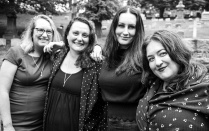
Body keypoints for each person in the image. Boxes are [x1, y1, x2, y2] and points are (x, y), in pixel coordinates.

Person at [136, 30, 209, 131]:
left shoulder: (204, 89)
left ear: (177, 52)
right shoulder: (154, 85)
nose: (157, 63)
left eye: (162, 54)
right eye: (151, 59)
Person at [0, 14, 63, 131]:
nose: (44, 35)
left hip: (43, 124)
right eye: (40, 30)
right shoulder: (16, 53)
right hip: (16, 124)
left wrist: (61, 45)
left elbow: (79, 47)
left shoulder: (54, 56)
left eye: (49, 31)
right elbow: (2, 90)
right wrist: (7, 125)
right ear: (32, 32)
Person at [43, 17, 107, 131]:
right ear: (67, 35)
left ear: (90, 39)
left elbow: (102, 107)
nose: (79, 38)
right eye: (75, 33)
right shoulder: (57, 56)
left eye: (85, 35)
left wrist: (97, 47)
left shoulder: (95, 65)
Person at [91, 6, 146, 130]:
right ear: (115, 27)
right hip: (104, 121)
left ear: (138, 30)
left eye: (131, 27)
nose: (125, 32)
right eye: (121, 25)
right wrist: (97, 46)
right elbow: (78, 48)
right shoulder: (107, 54)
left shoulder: (145, 57)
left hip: (132, 124)